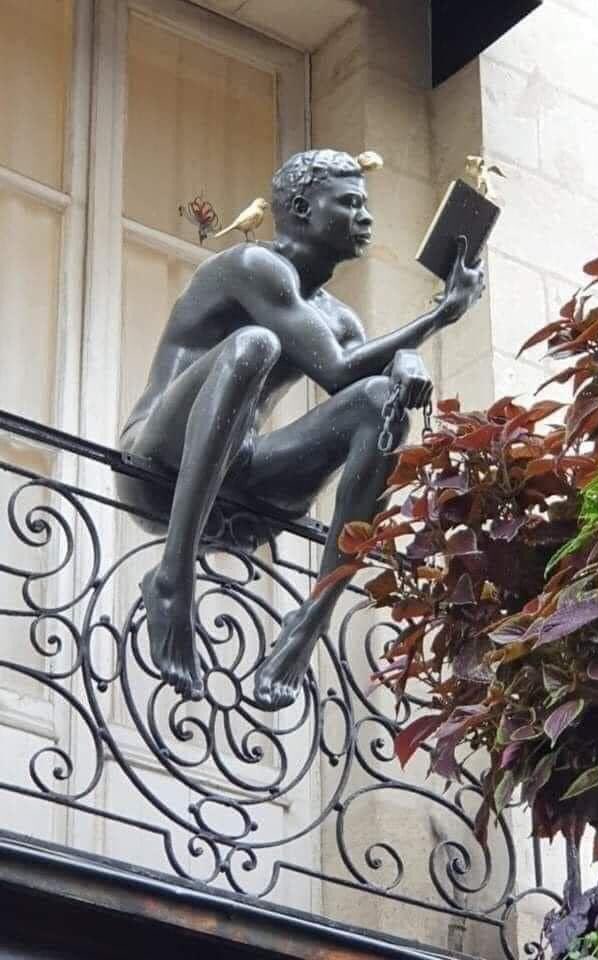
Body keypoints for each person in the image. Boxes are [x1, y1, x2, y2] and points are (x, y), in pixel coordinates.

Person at [117, 149, 485, 708]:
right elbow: (337, 368)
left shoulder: (339, 317)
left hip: (242, 496)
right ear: (300, 208)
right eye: (350, 203)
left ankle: (311, 619)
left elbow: (358, 375)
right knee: (255, 344)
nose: (366, 217)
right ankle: (174, 577)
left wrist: (404, 362)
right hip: (157, 470)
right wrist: (436, 317)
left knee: (383, 400)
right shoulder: (252, 267)